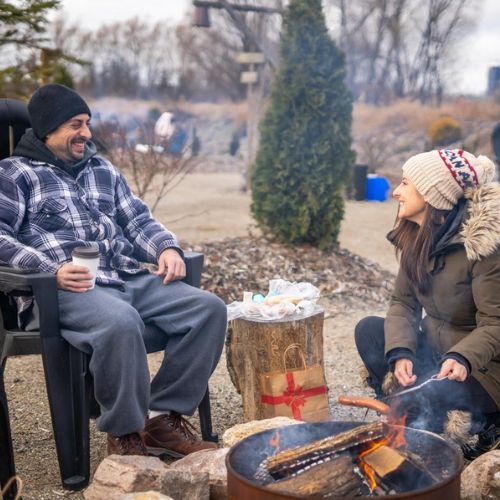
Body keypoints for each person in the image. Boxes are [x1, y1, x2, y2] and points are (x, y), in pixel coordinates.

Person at [0, 84, 227, 457]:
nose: (86, 134)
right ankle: (125, 436)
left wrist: (166, 247)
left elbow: (137, 220)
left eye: (87, 123)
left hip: (123, 277)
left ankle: (160, 418)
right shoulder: (14, 174)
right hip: (65, 288)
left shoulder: (101, 169)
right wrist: (51, 269)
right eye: (76, 124)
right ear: (48, 129)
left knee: (208, 309)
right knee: (121, 322)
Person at [354, 149, 500, 460]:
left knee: (441, 392)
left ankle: (483, 424)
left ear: (432, 195)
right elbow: (402, 304)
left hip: (481, 367)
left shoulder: (483, 248)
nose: (396, 192)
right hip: (435, 355)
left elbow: (495, 323)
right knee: (369, 330)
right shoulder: (417, 237)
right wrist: (402, 352)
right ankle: (409, 411)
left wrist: (462, 357)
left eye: (405, 183)